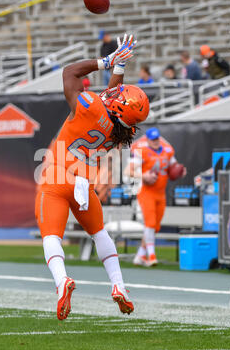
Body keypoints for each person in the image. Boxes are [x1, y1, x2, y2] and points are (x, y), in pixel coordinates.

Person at [35, 34, 150, 320]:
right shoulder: (120, 133)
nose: (115, 92)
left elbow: (70, 72)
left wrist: (107, 61)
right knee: (100, 233)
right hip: (84, 187)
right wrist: (119, 69)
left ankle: (62, 282)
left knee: (51, 236)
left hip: (57, 177)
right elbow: (113, 102)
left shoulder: (89, 106)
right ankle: (119, 286)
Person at [124, 127, 186, 267]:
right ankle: (151, 256)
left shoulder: (167, 150)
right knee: (150, 224)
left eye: (157, 139)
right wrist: (143, 175)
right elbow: (128, 171)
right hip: (146, 191)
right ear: (147, 140)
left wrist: (180, 171)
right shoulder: (141, 151)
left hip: (160, 193)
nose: (156, 142)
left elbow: (173, 167)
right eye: (152, 140)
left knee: (155, 227)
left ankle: (139, 256)